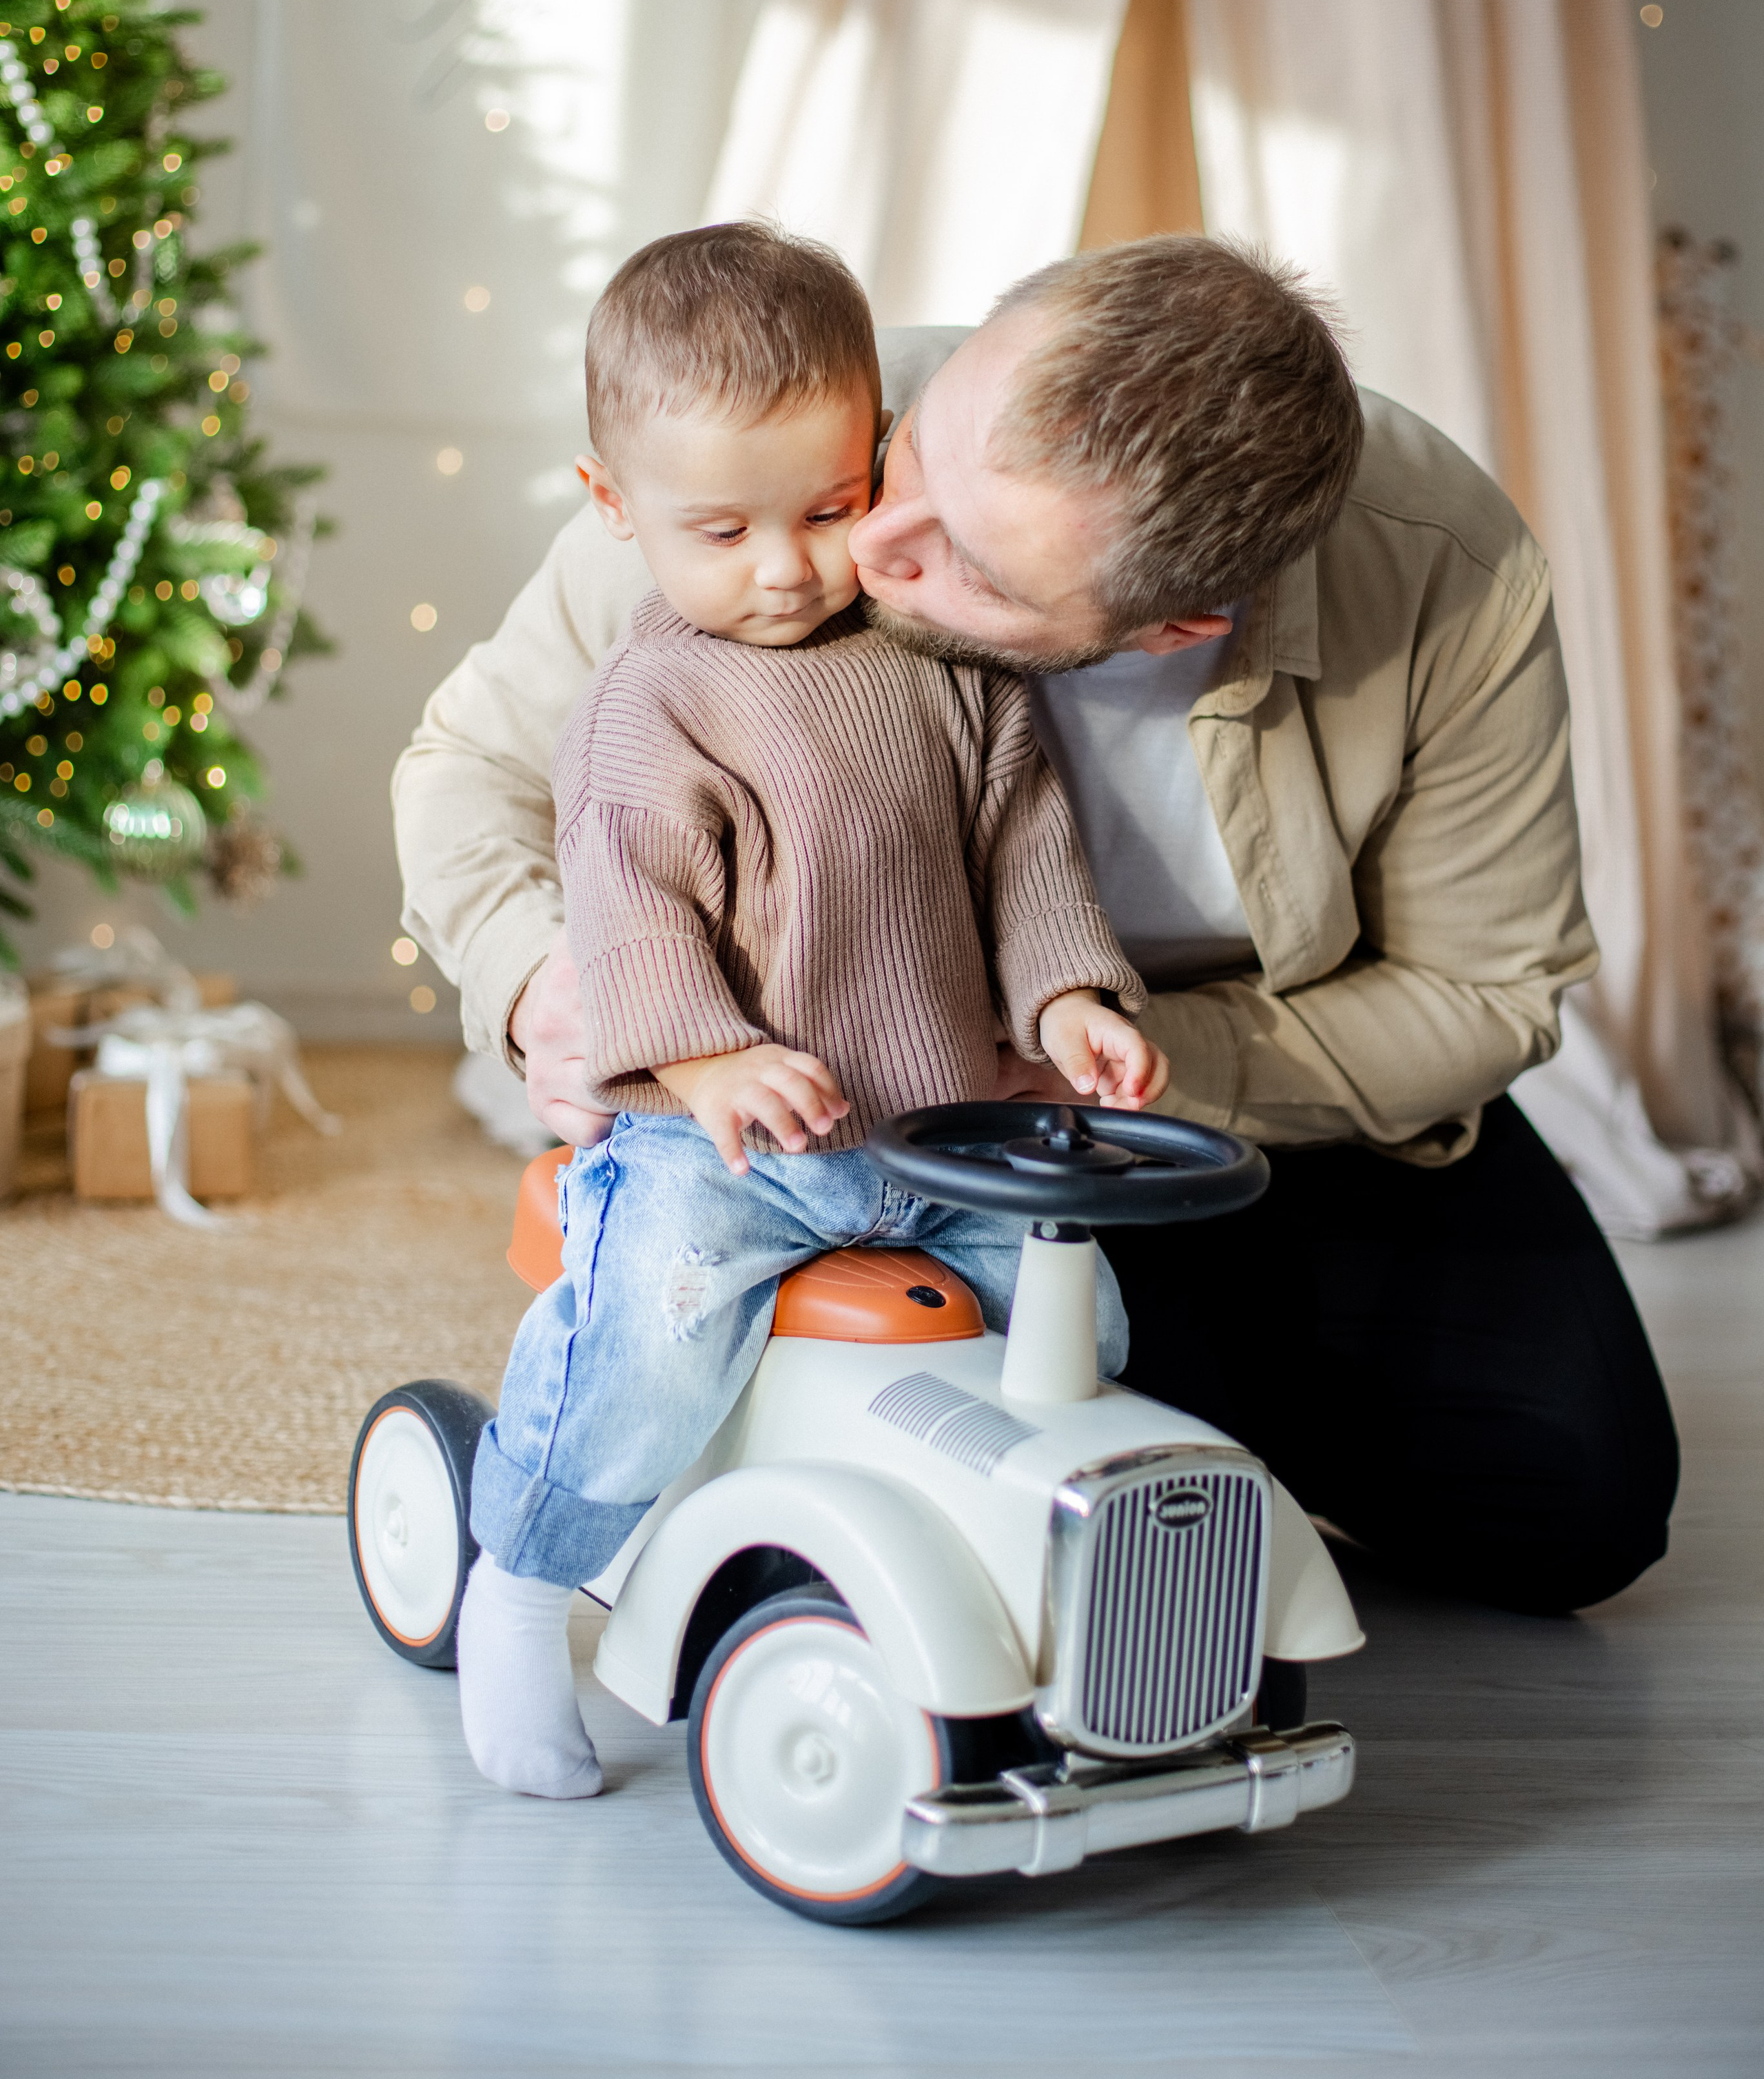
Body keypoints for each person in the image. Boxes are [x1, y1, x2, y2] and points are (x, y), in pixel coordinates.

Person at [396, 229, 1679, 1623]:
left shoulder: (1445, 574)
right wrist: (537, 979)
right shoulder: (793, 460)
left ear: (1172, 625)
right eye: (915, 460)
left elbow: (1484, 990)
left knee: (1577, 1507)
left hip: (1226, 1091)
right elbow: (470, 767)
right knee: (1029, 1465)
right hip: (833, 1084)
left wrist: (1125, 1070)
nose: (863, 552)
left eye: (975, 567)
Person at [457, 223, 1166, 1799]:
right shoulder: (652, 700)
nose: (782, 566)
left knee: (1089, 1327)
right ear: (611, 506)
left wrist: (1067, 999)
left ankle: (1044, 1599)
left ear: (882, 460)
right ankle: (517, 1584)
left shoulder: (948, 660)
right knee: (646, 1342)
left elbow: (1026, 842)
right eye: (719, 528)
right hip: (721, 1143)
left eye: (828, 509)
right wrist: (706, 1056)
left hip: (934, 1120)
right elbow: (625, 901)